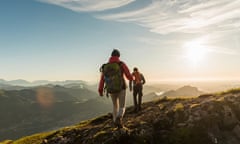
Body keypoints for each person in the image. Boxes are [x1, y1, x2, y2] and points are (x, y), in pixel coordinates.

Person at [98, 49, 133, 128]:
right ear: (118, 56)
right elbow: (128, 75)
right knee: (122, 106)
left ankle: (115, 122)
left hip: (110, 89)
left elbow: (102, 80)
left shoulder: (105, 66)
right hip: (121, 88)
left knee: (115, 106)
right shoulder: (121, 64)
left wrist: (100, 90)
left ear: (111, 55)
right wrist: (132, 78)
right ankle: (119, 118)